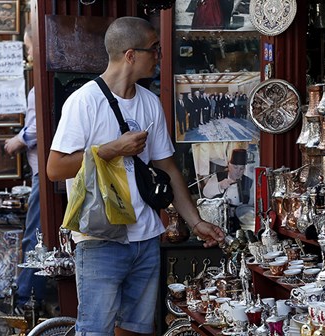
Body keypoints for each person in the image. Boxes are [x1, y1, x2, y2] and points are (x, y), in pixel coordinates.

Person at [46, 17, 225, 335]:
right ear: (131, 54)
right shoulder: (84, 101)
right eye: (154, 49)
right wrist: (111, 149)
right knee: (95, 330)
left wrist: (196, 223)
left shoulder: (149, 102)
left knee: (137, 329)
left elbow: (167, 167)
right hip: (100, 238)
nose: (159, 55)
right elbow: (55, 168)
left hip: (145, 237)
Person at [3, 25, 46, 314]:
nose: (28, 53)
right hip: (42, 170)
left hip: (44, 172)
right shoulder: (37, 87)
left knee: (36, 234)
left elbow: (35, 131)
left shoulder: (37, 89)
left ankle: (27, 299)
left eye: (29, 47)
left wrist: (15, 141)